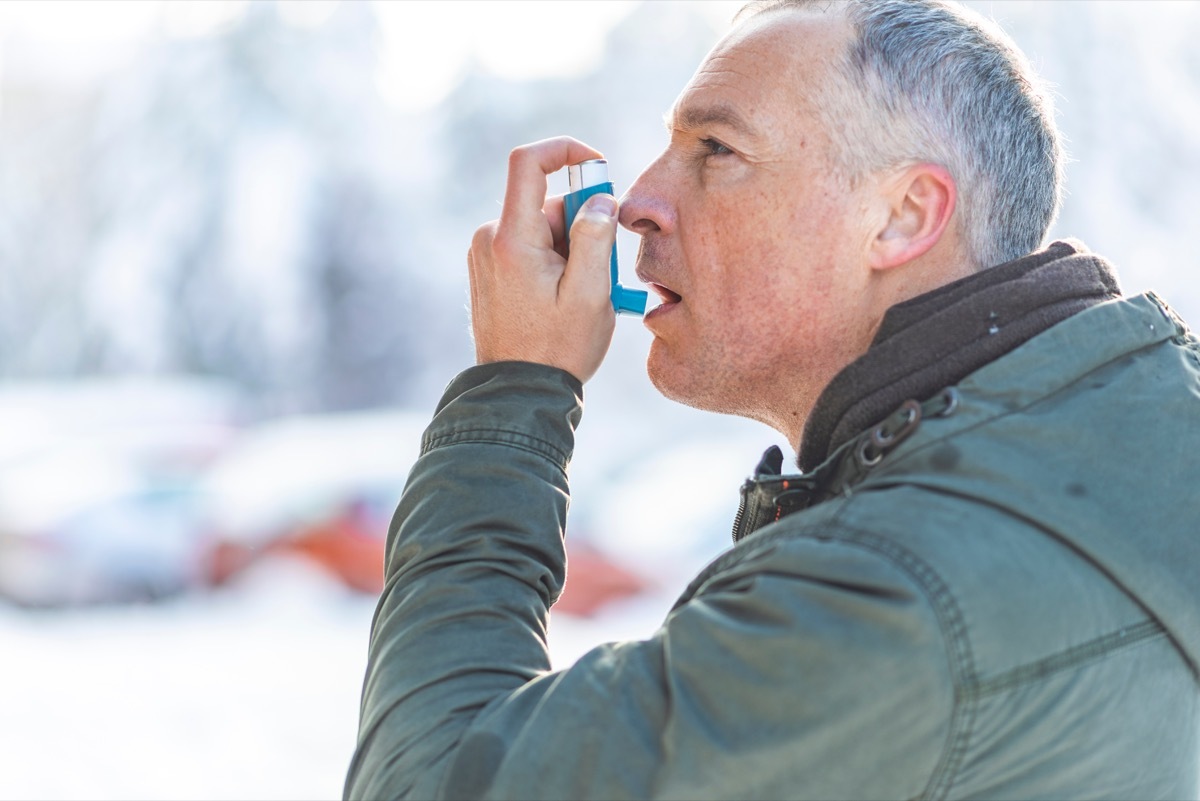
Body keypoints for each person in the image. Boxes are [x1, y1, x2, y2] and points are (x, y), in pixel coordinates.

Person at [346, 1, 1200, 798]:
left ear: (903, 217)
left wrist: (515, 389)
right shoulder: (1133, 438)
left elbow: (431, 776)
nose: (638, 202)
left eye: (715, 150)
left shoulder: (894, 589)